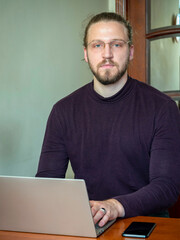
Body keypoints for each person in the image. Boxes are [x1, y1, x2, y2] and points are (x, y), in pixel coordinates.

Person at [36, 12, 180, 227]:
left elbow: (167, 187)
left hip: (146, 223)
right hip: (88, 223)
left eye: (116, 44)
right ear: (85, 53)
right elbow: (47, 182)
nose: (107, 54)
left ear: (130, 51)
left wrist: (114, 206)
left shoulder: (162, 108)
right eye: (97, 45)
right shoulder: (63, 111)